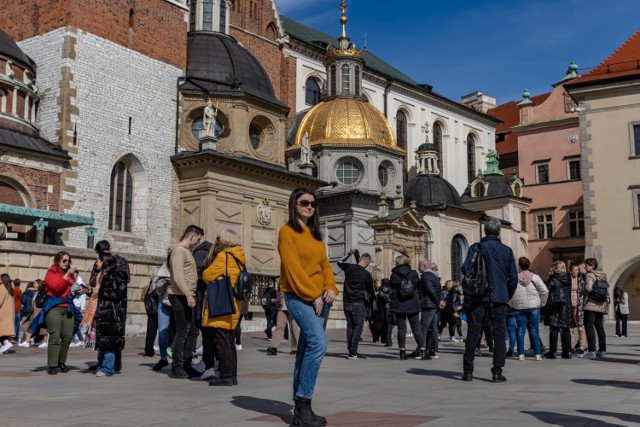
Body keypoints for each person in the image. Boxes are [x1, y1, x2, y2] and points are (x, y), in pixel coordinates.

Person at [278, 187, 338, 427]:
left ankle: (300, 411)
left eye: (313, 204)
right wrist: (314, 295)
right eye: (304, 202)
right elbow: (293, 270)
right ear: (294, 204)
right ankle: (304, 401)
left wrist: (331, 287)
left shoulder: (315, 235)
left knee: (304, 350)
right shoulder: (287, 232)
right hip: (299, 297)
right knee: (318, 343)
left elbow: (325, 266)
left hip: (320, 299)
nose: (309, 207)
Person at [461, 217, 517, 383]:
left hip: (478, 296)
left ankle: (468, 371)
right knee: (499, 334)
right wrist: (506, 294)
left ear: (485, 231)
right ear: (499, 231)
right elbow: (513, 278)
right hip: (499, 298)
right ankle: (497, 372)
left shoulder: (476, 248)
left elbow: (465, 269)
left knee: (473, 333)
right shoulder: (506, 251)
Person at [201, 229, 246, 386]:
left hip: (222, 303)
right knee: (229, 340)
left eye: (219, 239)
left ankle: (226, 376)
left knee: (222, 341)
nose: (217, 242)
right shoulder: (239, 257)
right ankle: (232, 375)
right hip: (233, 302)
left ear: (225, 241)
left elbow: (207, 275)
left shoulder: (224, 256)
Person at [167, 225, 204, 379]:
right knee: (182, 331)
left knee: (191, 330)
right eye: (198, 239)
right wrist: (188, 294)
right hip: (179, 295)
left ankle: (187, 365)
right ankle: (176, 367)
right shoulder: (179, 251)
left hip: (187, 295)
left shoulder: (187, 251)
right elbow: (177, 276)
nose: (198, 242)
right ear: (191, 237)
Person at [43, 251, 78, 374]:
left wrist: (81, 290)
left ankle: (61, 361)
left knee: (68, 336)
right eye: (64, 261)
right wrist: (67, 275)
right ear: (57, 261)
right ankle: (53, 365)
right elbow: (57, 287)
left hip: (68, 307)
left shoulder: (71, 275)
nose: (67, 263)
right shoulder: (51, 273)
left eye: (68, 261)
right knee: (55, 336)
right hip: (54, 307)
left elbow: (73, 290)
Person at [93, 252, 128, 377]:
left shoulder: (117, 275)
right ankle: (102, 365)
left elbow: (119, 294)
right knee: (103, 341)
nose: (96, 262)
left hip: (113, 314)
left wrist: (100, 291)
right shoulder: (102, 275)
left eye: (98, 260)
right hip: (104, 313)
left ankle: (108, 368)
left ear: (104, 261)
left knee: (109, 342)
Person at [337, 248, 374, 360]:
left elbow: (339, 262)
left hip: (347, 302)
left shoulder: (349, 268)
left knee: (350, 325)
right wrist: (370, 303)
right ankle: (353, 351)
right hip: (358, 303)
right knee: (358, 326)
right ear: (367, 262)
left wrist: (349, 253)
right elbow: (371, 291)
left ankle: (351, 350)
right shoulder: (366, 274)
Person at [510, 257, 548, 361]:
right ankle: (537, 354)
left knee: (520, 330)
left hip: (519, 307)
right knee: (534, 330)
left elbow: (509, 292)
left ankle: (521, 355)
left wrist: (512, 303)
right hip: (534, 307)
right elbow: (545, 291)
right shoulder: (535, 277)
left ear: (519, 266)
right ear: (529, 265)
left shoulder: (514, 278)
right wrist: (542, 303)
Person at [390, 255, 426, 360]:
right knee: (416, 327)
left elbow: (392, 288)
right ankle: (423, 350)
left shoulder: (394, 275)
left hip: (399, 304)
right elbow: (418, 288)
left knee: (401, 328)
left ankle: (402, 352)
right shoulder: (414, 273)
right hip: (412, 304)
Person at [544, 261, 572, 359]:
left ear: (556, 268)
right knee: (565, 328)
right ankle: (567, 351)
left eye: (553, 267)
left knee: (554, 327)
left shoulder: (553, 277)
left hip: (554, 304)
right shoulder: (568, 278)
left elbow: (547, 289)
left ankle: (553, 352)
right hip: (566, 305)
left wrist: (550, 277)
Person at [581, 258, 608, 359]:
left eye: (587, 265)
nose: (585, 267)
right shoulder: (603, 276)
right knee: (600, 327)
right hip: (601, 304)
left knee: (589, 326)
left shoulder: (590, 275)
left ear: (592, 266)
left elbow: (588, 288)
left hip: (591, 303)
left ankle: (591, 350)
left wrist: (581, 292)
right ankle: (602, 350)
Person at [417, 259, 441, 359]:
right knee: (433, 328)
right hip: (434, 305)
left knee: (423, 327)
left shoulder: (426, 276)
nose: (418, 268)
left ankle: (421, 349)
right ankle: (433, 350)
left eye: (419, 266)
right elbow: (438, 289)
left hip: (428, 304)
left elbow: (430, 290)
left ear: (424, 265)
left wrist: (438, 301)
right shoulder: (435, 276)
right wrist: (440, 301)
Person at [267, 288, 299, 356]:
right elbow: (278, 292)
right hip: (282, 307)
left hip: (293, 306)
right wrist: (278, 299)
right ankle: (273, 347)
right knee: (279, 326)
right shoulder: (281, 280)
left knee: (293, 327)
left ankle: (295, 348)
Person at [569, 262, 586, 353]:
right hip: (568, 305)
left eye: (578, 270)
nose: (577, 272)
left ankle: (581, 346)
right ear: (570, 271)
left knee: (580, 325)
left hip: (578, 305)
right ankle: (571, 346)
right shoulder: (567, 279)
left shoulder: (581, 279)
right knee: (570, 327)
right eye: (575, 270)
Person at [0, 273, 15, 354]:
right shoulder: (9, 289)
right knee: (3, 331)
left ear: (3, 280)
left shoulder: (2, 288)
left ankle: (6, 343)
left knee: (2, 331)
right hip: (7, 314)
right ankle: (5, 344)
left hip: (2, 314)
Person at [378, 278, 394, 347]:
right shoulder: (391, 288)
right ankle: (388, 340)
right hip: (393, 307)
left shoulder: (382, 289)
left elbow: (382, 297)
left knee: (387, 325)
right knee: (390, 325)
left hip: (386, 308)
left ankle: (388, 341)